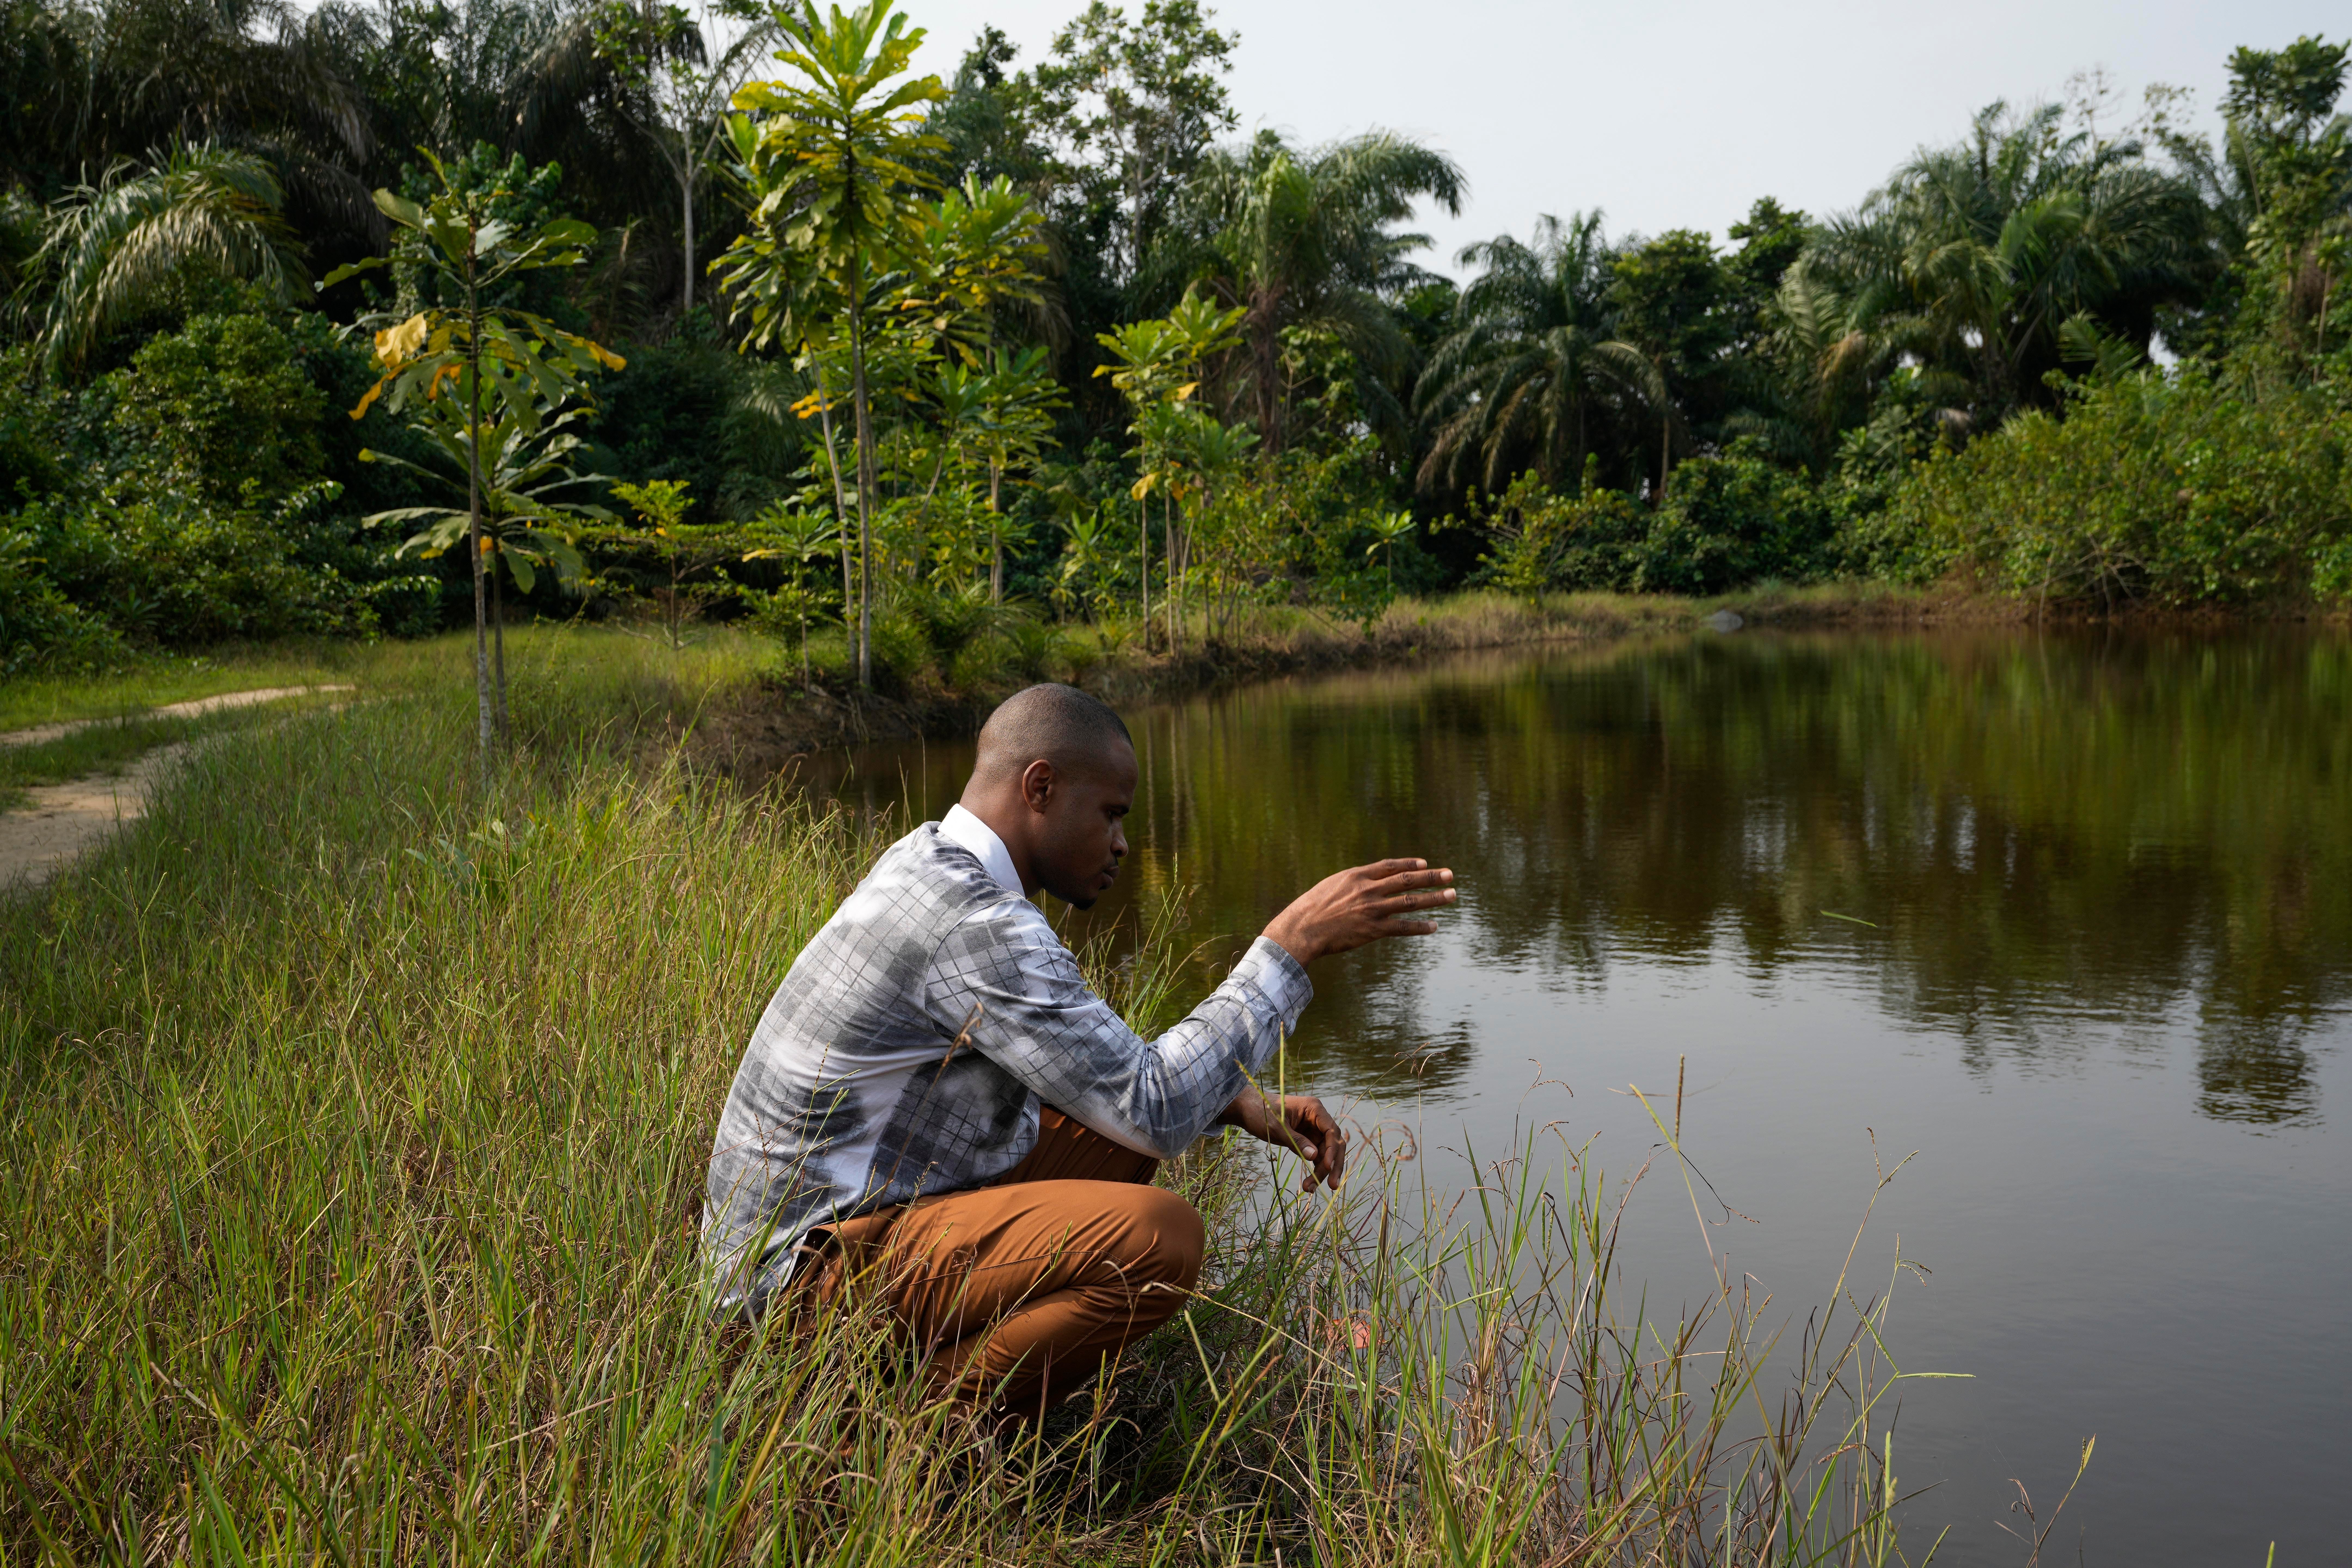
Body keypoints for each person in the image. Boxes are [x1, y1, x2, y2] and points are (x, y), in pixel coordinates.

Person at [702, 682, 1455, 1425]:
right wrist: (1289, 949)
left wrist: (1235, 1106)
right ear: (1040, 787)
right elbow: (1153, 1104)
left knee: (1115, 1141)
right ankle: (912, 1430)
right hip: (794, 1294)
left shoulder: (930, 861)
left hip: (820, 1247)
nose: (1122, 843)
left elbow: (1094, 1075)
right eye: (1111, 814)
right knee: (1161, 1237)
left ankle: (925, 1386)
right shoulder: (972, 918)